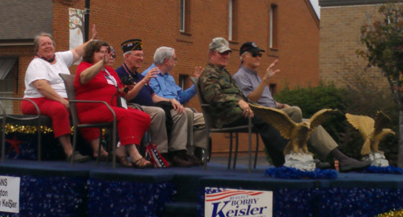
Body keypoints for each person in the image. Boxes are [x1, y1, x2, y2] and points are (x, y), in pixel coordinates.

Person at [232, 41, 370, 172]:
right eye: (254, 54)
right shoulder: (240, 76)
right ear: (243, 57)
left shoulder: (255, 76)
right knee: (296, 111)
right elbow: (250, 100)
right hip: (260, 117)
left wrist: (280, 105)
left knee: (311, 124)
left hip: (274, 112)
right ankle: (295, 157)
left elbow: (266, 100)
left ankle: (342, 159)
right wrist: (265, 80)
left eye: (260, 54)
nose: (258, 57)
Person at [199, 37, 288, 167]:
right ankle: (287, 161)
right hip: (224, 116)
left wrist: (256, 105)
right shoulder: (209, 73)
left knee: (271, 115)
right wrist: (239, 102)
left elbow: (241, 97)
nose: (226, 56)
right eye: (221, 53)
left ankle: (284, 162)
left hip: (237, 112)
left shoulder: (223, 73)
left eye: (227, 53)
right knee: (267, 117)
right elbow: (213, 96)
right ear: (211, 54)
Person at [115, 39, 195, 167]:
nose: (141, 58)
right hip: (131, 107)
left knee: (180, 112)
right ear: (127, 56)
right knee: (159, 112)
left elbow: (154, 97)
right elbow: (126, 97)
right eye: (137, 55)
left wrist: (171, 100)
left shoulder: (140, 76)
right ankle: (160, 152)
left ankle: (178, 152)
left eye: (142, 55)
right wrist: (144, 81)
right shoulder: (119, 73)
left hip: (149, 106)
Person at [21, 28, 97, 162]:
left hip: (60, 98)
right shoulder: (36, 64)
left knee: (86, 107)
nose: (47, 46)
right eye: (43, 44)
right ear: (37, 49)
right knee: (59, 109)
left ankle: (98, 150)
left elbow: (78, 51)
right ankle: (69, 152)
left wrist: (91, 41)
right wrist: (63, 101)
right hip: (36, 100)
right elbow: (41, 87)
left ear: (54, 45)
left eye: (49, 43)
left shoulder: (60, 58)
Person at [74, 40, 152, 168]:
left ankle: (120, 148)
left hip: (112, 108)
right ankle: (133, 154)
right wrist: (101, 63)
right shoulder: (85, 66)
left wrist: (126, 88)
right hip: (92, 109)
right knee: (124, 114)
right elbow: (84, 77)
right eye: (100, 52)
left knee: (143, 117)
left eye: (106, 52)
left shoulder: (110, 71)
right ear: (91, 53)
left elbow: (124, 94)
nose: (105, 55)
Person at [142, 46, 208, 160]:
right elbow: (154, 99)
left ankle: (196, 152)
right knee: (185, 112)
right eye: (174, 59)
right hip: (164, 111)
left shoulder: (170, 78)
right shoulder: (150, 74)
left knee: (206, 119)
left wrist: (196, 85)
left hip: (177, 110)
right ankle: (179, 152)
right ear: (166, 61)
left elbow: (181, 97)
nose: (176, 62)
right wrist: (171, 101)